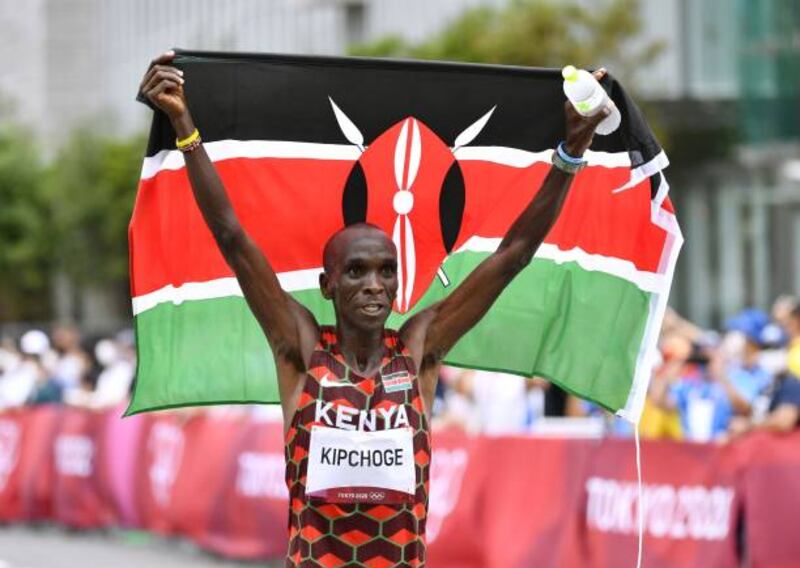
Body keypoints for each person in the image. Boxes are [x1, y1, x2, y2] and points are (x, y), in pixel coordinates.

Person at [140, 51, 609, 567]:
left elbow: (512, 255)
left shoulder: (419, 347)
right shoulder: (299, 346)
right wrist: (183, 124)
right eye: (356, 271)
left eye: (387, 270)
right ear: (327, 284)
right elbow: (231, 236)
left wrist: (573, 149)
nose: (374, 285)